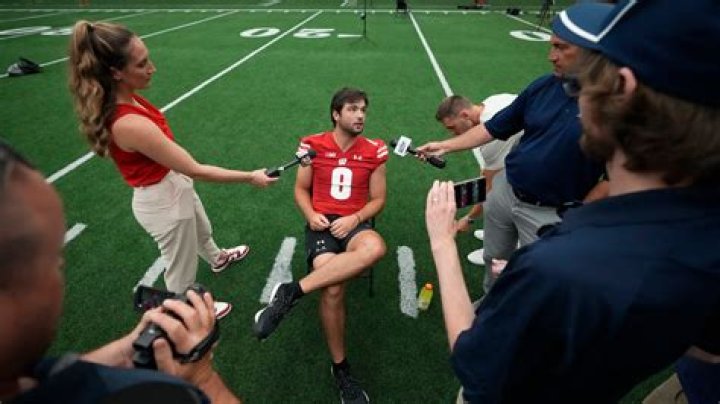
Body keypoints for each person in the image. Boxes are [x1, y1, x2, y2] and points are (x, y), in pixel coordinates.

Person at [424, 1, 720, 403]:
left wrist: (442, 241)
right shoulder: (699, 238)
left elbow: (474, 367)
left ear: (621, 90)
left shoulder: (560, 268)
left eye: (587, 83)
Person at [0, 141, 239, 403]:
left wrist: (124, 353)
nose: (59, 267)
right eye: (52, 258)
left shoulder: (22, 378)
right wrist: (203, 378)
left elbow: (35, 383)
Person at [67, 20, 277, 319]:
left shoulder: (125, 96)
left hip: (171, 184)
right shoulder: (129, 124)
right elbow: (196, 169)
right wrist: (250, 176)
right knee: (181, 268)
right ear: (116, 73)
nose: (152, 68)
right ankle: (186, 308)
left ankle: (217, 258)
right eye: (142, 64)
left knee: (202, 230)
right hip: (163, 202)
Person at [419, 4, 610, 294]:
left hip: (550, 212)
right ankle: (491, 304)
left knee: (536, 282)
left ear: (591, 51)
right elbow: (493, 127)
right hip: (506, 192)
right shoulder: (544, 86)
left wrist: (577, 216)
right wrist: (445, 146)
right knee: (493, 259)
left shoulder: (616, 108)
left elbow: (615, 179)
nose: (551, 56)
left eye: (561, 47)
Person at [252, 88, 387, 404]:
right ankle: (341, 369)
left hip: (354, 223)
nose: (361, 115)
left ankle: (292, 292)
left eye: (363, 110)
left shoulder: (376, 149)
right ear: (336, 114)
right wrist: (311, 215)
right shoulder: (311, 145)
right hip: (322, 224)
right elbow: (301, 189)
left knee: (376, 248)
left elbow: (379, 199)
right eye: (352, 109)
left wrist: (355, 218)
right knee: (333, 287)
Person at [434, 94, 522, 265]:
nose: (453, 133)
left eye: (452, 127)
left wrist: (469, 218)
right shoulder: (492, 101)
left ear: (465, 115)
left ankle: (501, 248)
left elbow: (490, 186)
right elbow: (487, 173)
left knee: (499, 198)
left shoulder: (493, 138)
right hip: (540, 147)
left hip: (547, 165)